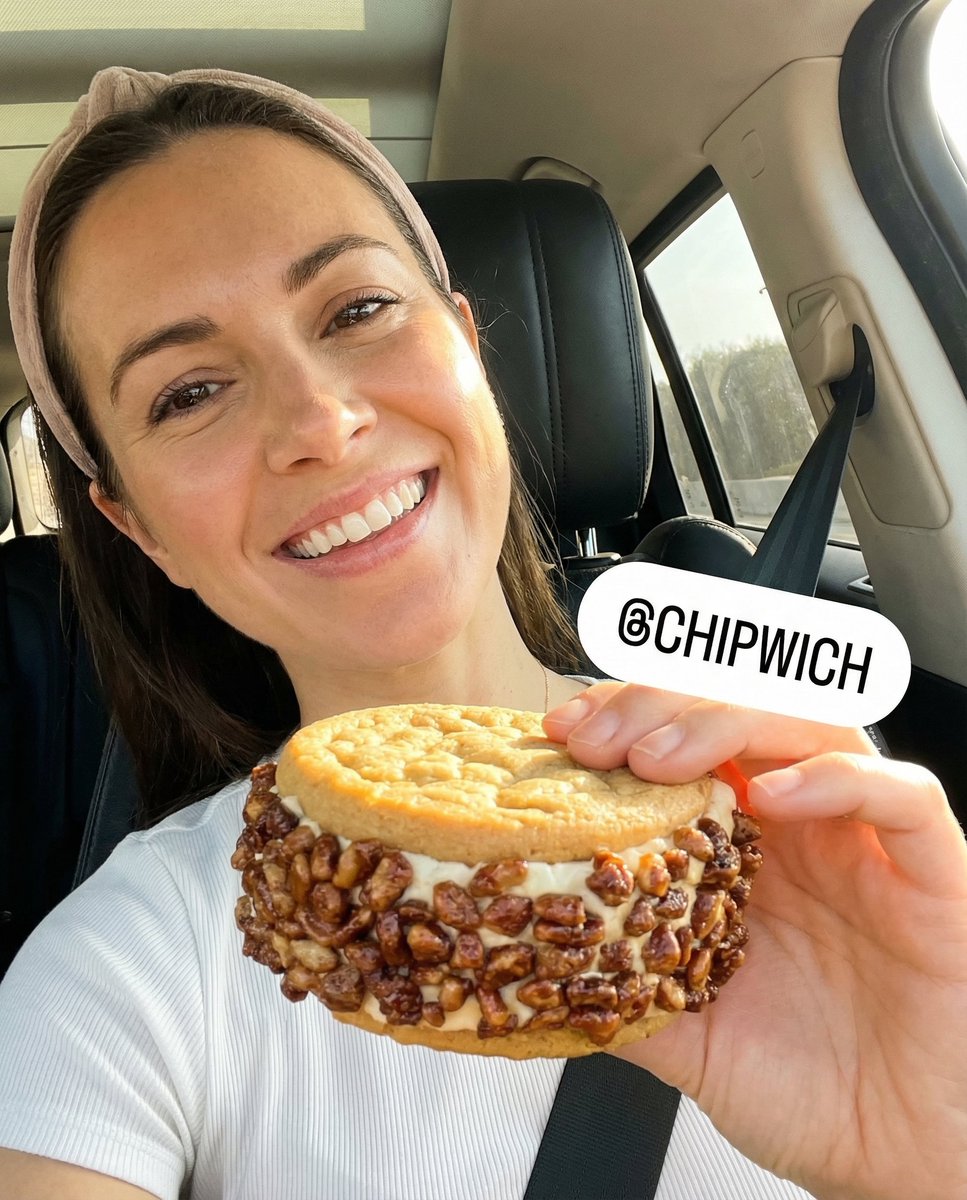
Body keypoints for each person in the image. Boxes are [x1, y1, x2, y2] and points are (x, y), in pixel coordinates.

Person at [0, 66, 964, 1200]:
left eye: (357, 310)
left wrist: (924, 1159)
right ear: (135, 525)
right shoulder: (127, 961)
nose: (320, 421)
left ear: (468, 349)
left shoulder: (808, 819)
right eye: (187, 392)